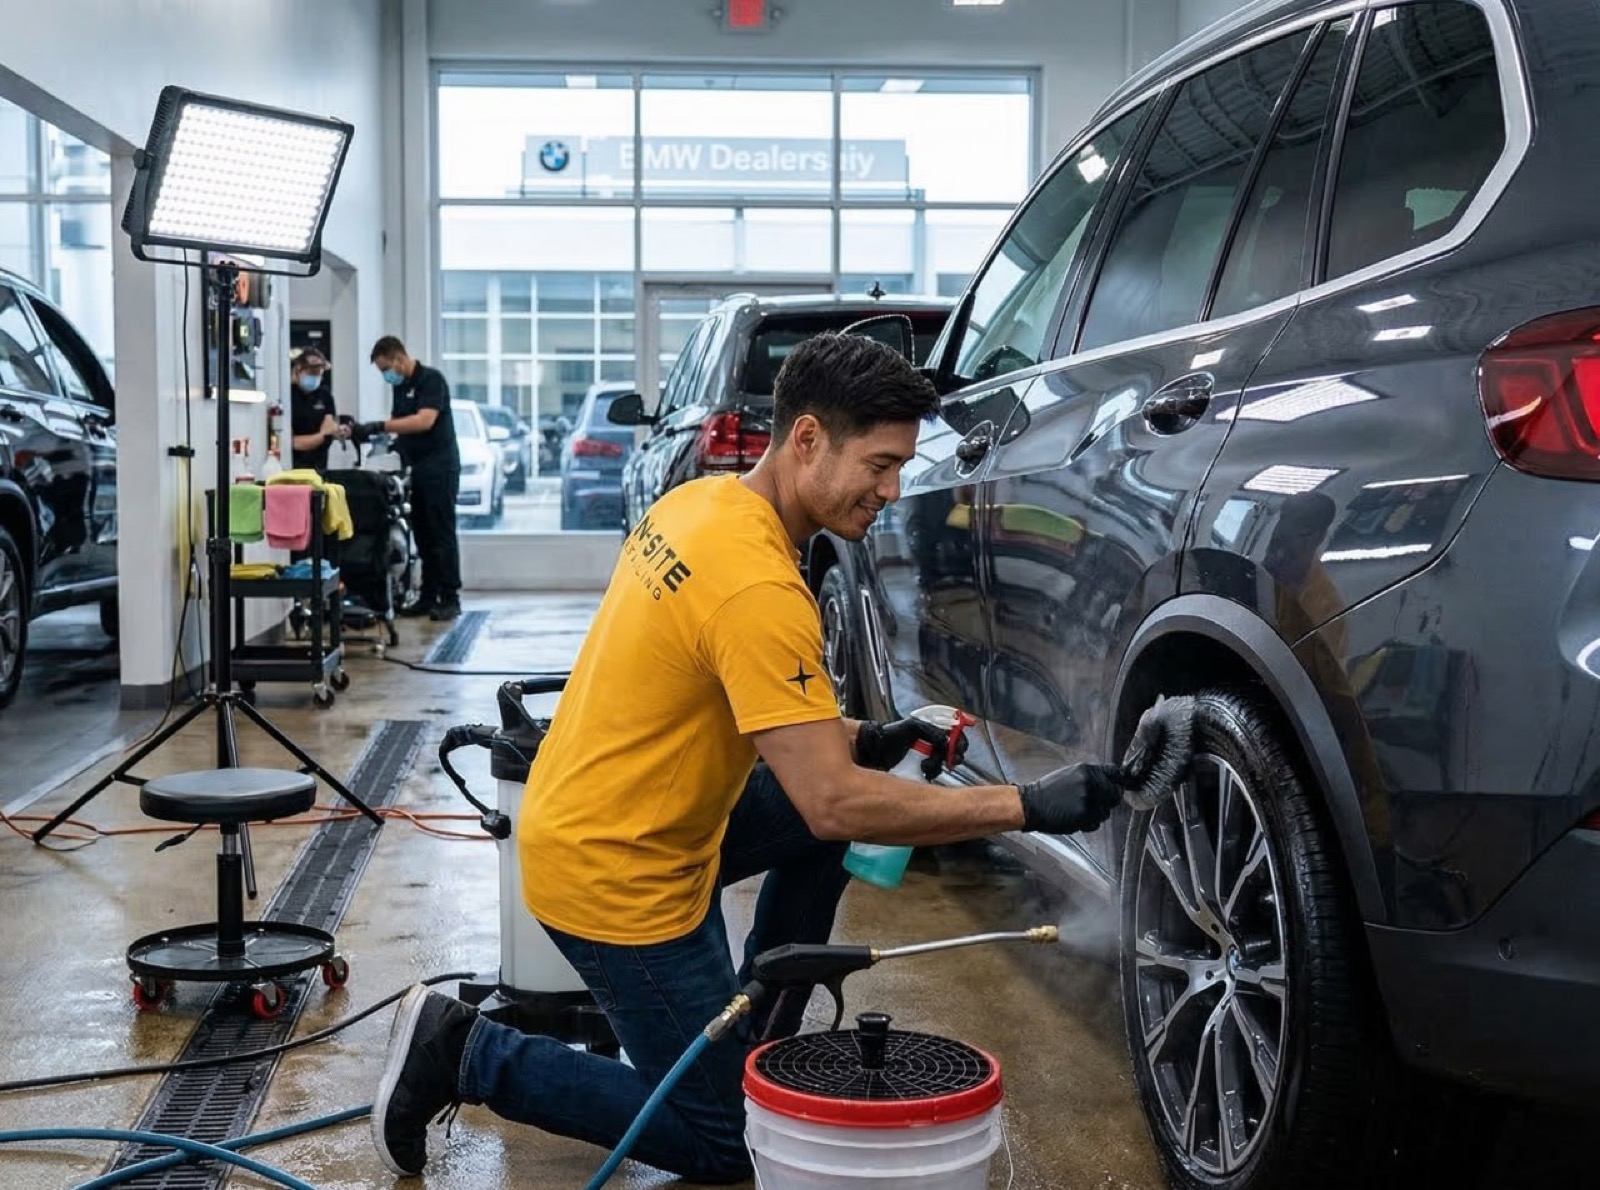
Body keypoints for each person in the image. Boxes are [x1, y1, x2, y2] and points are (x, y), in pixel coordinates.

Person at [369, 333, 1130, 1181]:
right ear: (806, 439)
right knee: (733, 1145)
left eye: (901, 466)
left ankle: (753, 1037)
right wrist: (1027, 805)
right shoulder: (759, 586)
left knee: (837, 808)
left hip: (616, 811)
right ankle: (467, 1051)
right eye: (879, 464)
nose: (893, 489)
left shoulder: (704, 505)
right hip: (619, 878)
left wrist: (862, 740)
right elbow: (833, 804)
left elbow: (745, 713)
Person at [356, 336, 462, 621]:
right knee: (423, 534)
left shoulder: (431, 381)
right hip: (416, 469)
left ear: (399, 359)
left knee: (441, 532)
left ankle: (450, 596)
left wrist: (379, 425)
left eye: (385, 369)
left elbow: (424, 421)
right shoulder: (401, 388)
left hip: (440, 468)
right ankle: (428, 596)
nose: (385, 376)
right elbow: (402, 429)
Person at [288, 348, 338, 472]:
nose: (315, 377)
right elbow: (290, 443)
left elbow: (328, 433)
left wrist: (322, 437)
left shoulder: (325, 396)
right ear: (298, 370)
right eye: (311, 372)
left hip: (319, 467)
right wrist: (320, 437)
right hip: (291, 466)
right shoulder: (287, 395)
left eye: (319, 374)